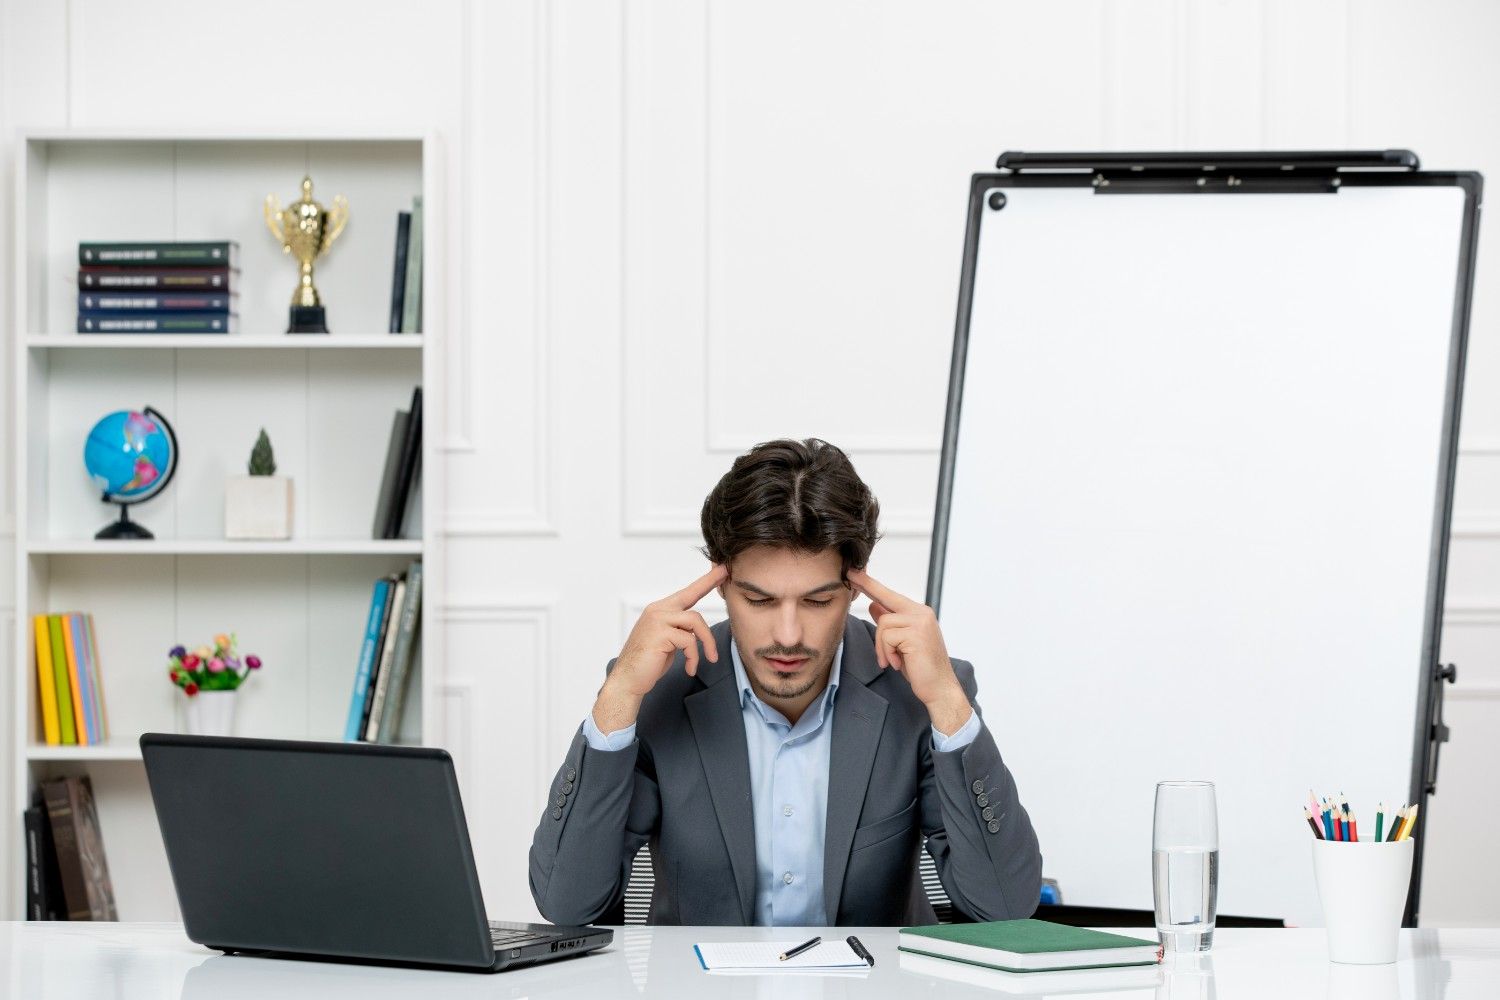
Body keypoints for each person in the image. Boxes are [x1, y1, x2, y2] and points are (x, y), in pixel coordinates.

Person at [529, 438, 1040, 925]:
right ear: (722, 584)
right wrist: (619, 695)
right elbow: (567, 904)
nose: (788, 635)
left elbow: (1003, 908)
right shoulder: (660, 689)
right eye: (760, 600)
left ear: (855, 587)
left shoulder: (917, 691)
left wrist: (946, 699)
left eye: (817, 601)